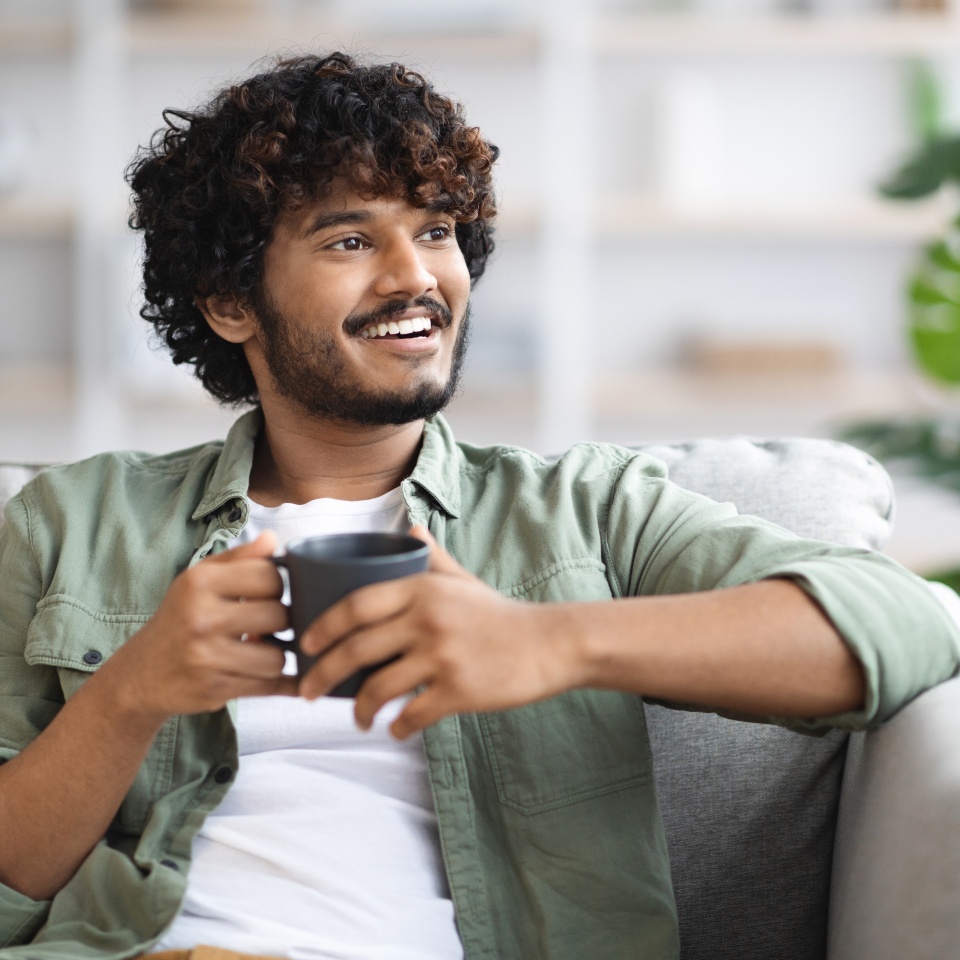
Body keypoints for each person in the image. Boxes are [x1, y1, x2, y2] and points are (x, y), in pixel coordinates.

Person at [0, 52, 957, 960]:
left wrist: (549, 643)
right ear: (229, 302)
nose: (416, 276)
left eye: (436, 231)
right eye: (349, 239)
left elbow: (905, 626)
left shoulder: (584, 512)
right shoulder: (71, 523)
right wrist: (133, 691)